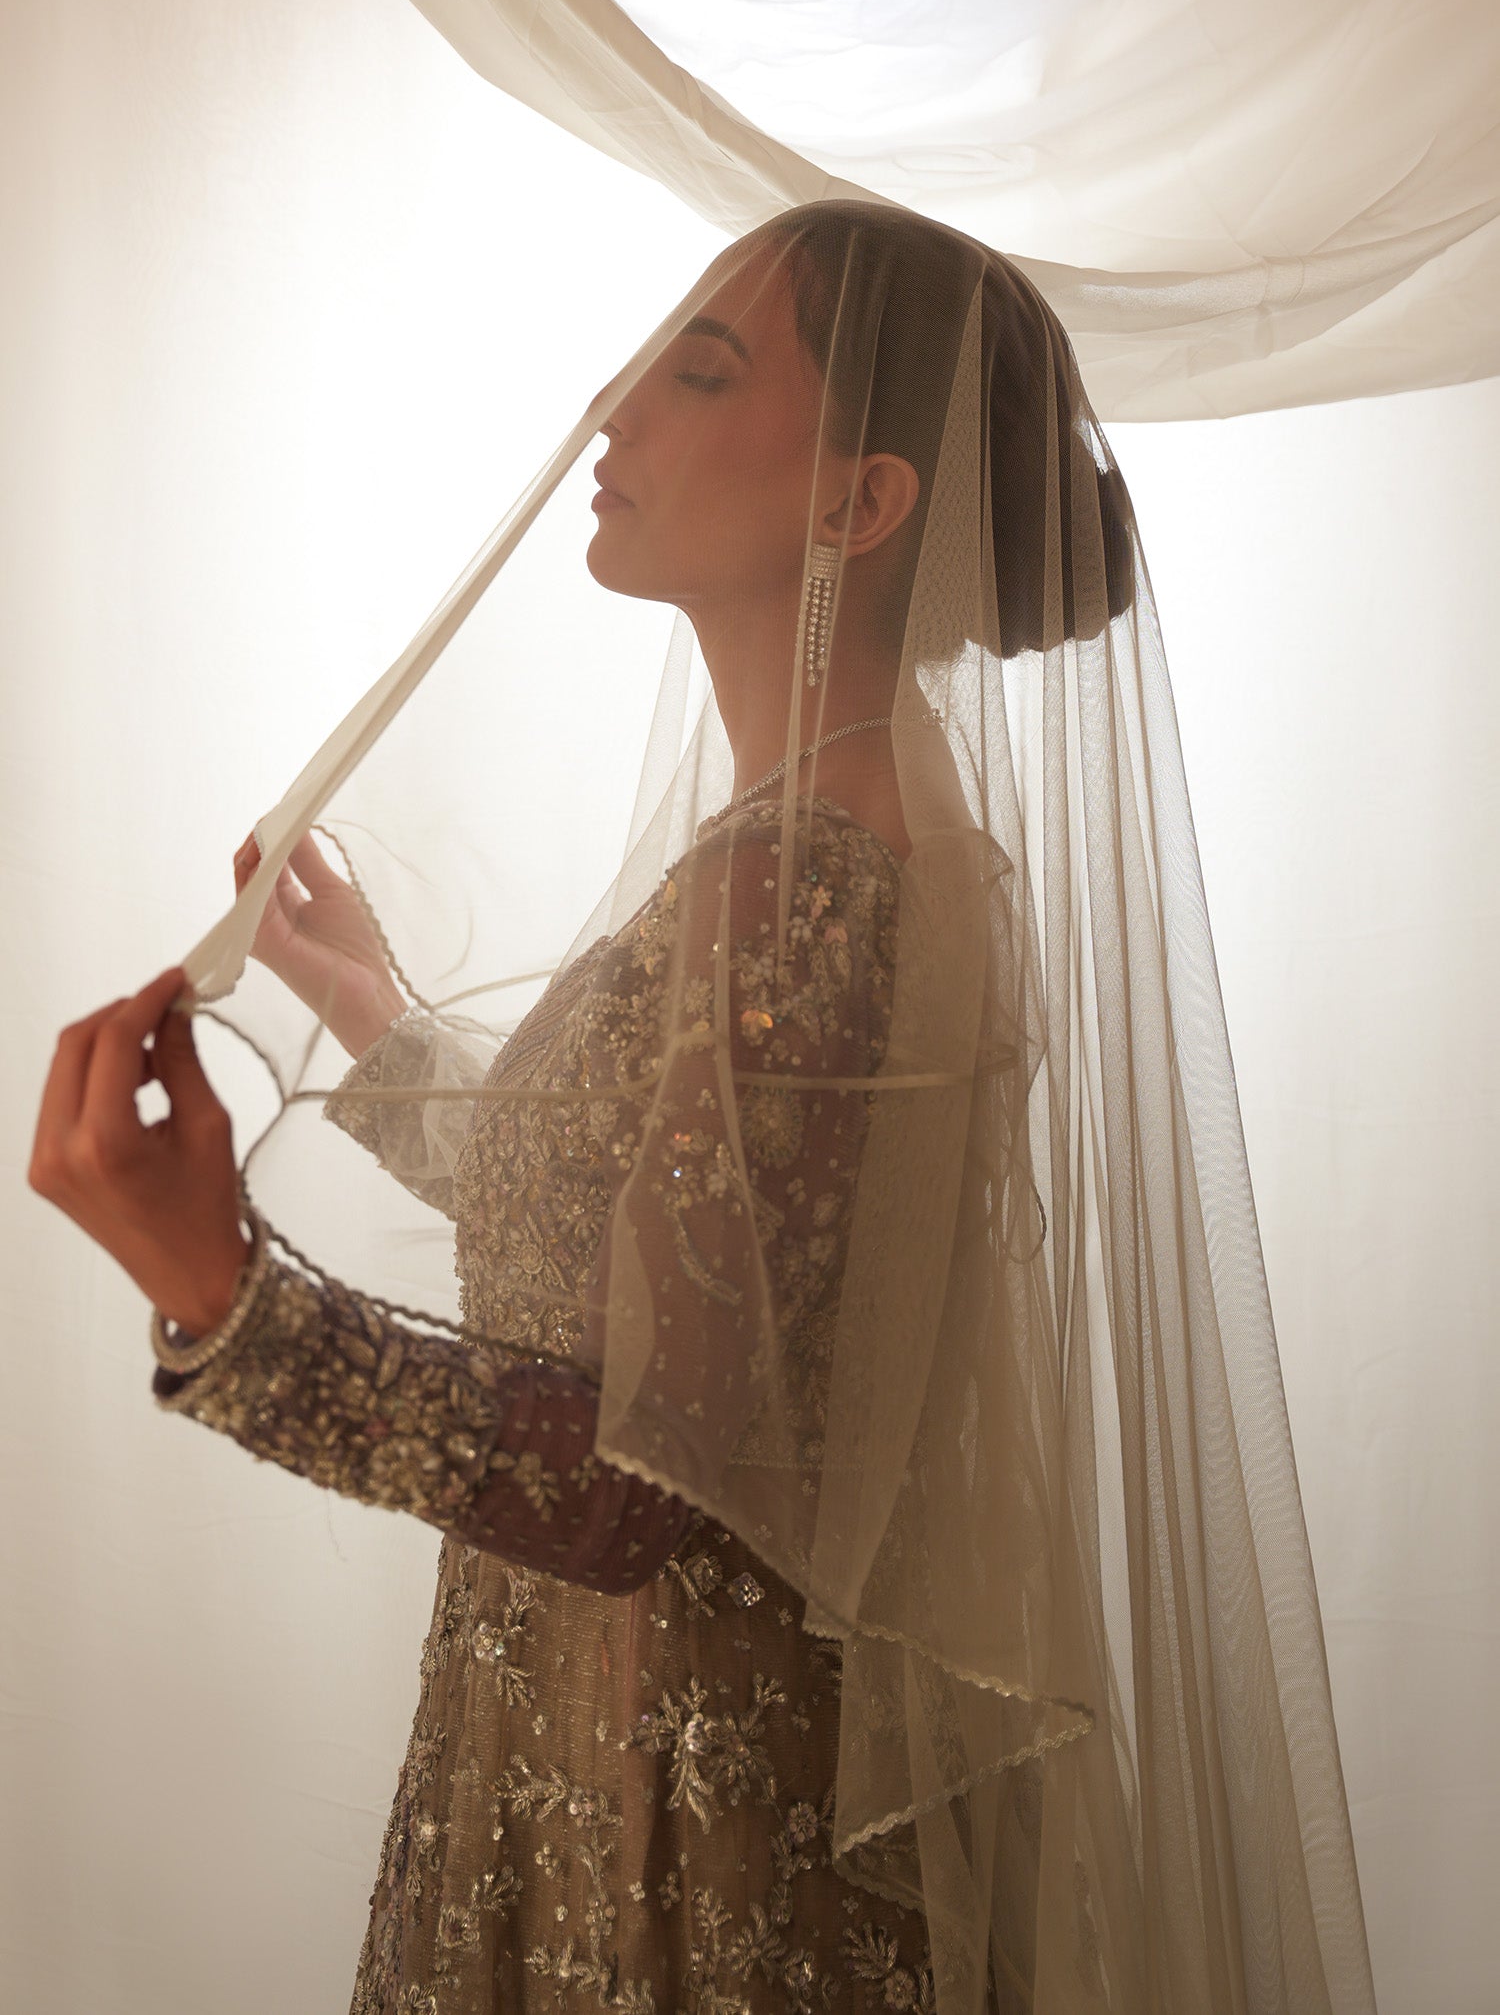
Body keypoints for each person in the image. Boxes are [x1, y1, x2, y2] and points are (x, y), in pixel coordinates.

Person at [29, 202, 1376, 2014]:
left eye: (705, 372)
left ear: (860, 502)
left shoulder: (806, 888)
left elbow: (624, 1486)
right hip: (617, 1750)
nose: (615, 404)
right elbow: (674, 1255)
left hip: (676, 1814)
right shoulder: (834, 847)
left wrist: (229, 1297)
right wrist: (374, 1017)